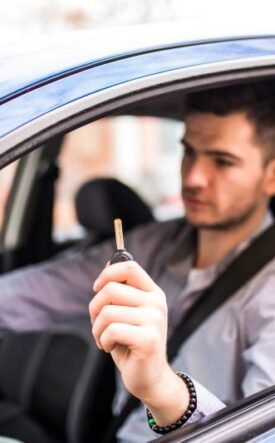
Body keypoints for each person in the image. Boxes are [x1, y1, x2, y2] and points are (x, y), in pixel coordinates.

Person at [0, 81, 275, 442]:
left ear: (271, 176)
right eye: (189, 152)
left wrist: (163, 389)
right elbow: (32, 292)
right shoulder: (152, 245)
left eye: (222, 161)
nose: (193, 178)